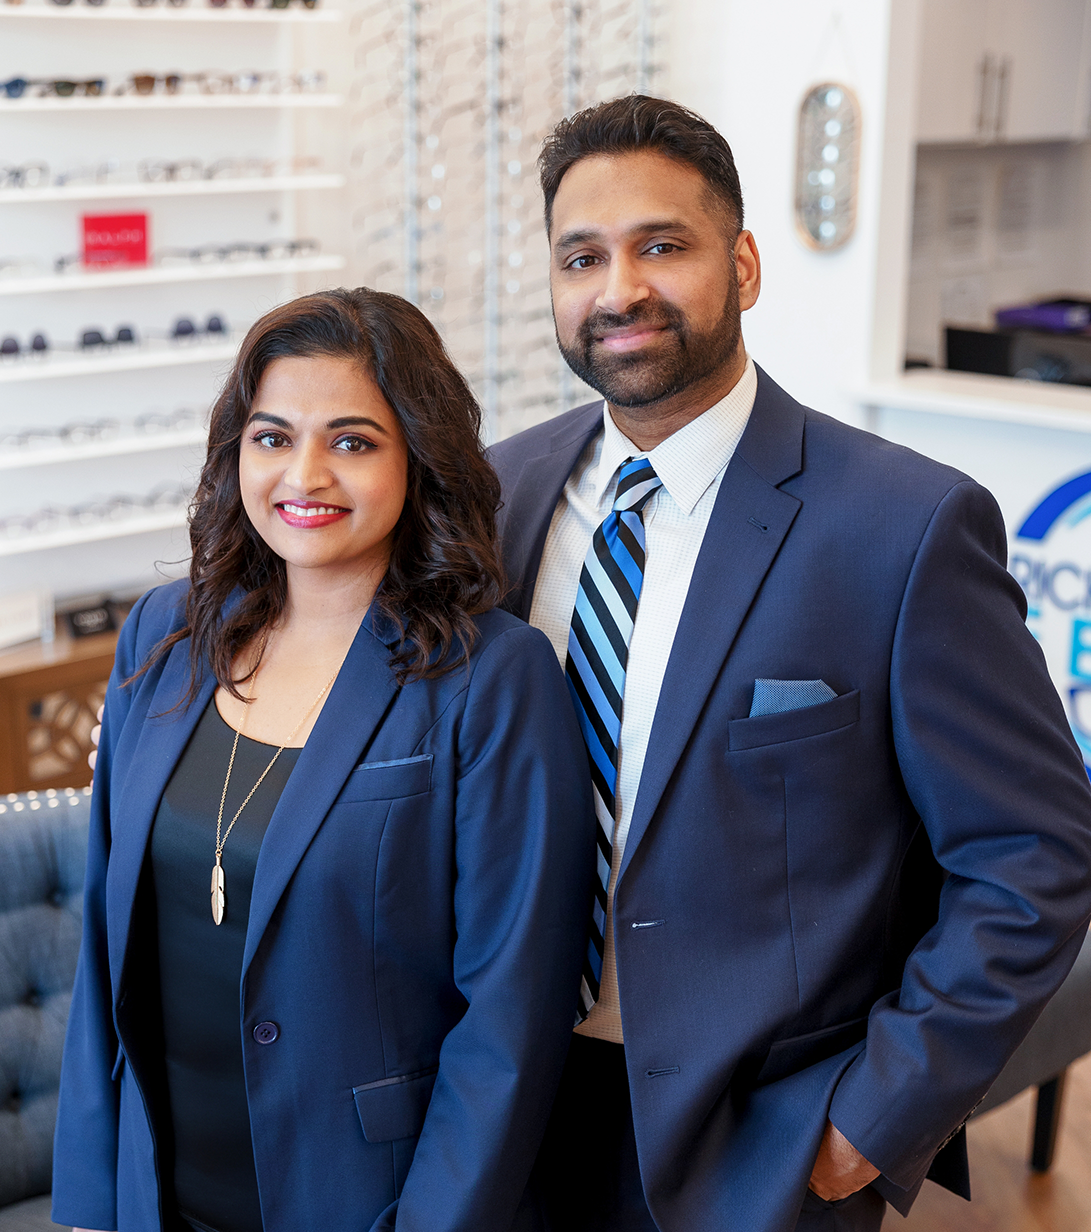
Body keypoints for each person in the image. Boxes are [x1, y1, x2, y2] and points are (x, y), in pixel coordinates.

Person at [489, 95, 1091, 1232]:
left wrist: (873, 1113)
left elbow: (1035, 851)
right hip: (501, 1109)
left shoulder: (901, 529)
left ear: (744, 264)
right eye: (582, 257)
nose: (618, 290)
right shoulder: (495, 496)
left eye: (660, 245)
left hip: (755, 1139)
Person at [52, 287, 595, 1232]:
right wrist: (93, 1198)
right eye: (272, 437)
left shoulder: (491, 678)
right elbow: (106, 954)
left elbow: (510, 1018)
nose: (305, 474)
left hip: (364, 1199)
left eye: (352, 440)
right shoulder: (164, 635)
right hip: (160, 1187)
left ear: (417, 458)